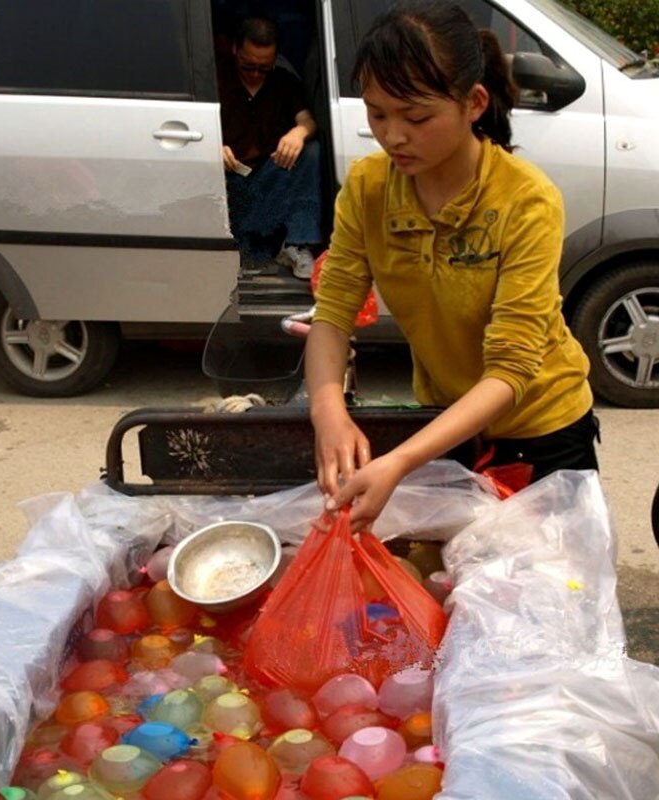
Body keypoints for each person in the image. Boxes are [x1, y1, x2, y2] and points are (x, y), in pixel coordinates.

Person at [306, 0, 599, 532]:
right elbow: (332, 315)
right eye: (377, 113)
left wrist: (399, 460)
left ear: (474, 103)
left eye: (416, 117)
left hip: (545, 431)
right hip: (446, 427)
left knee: (546, 594)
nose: (393, 135)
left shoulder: (525, 200)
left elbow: (511, 369)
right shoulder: (369, 189)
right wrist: (328, 413)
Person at [218, 17, 323, 279]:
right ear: (235, 51)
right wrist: (213, 148)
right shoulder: (216, 78)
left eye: (263, 68)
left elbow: (307, 120)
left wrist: (298, 133)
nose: (255, 74)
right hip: (226, 184)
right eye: (248, 65)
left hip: (268, 180)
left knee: (312, 152)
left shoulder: (284, 83)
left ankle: (296, 243)